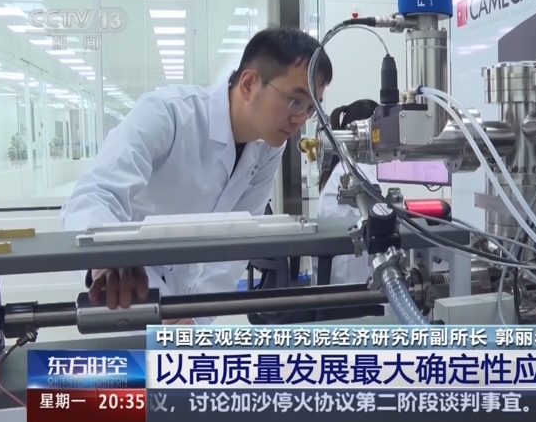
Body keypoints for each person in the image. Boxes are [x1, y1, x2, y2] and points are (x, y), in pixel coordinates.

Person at [60, 27, 333, 325]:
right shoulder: (168, 113)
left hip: (186, 294)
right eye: (295, 101)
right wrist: (104, 259)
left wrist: (197, 316)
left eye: (311, 109)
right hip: (126, 287)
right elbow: (94, 194)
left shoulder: (268, 147)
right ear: (249, 84)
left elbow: (241, 239)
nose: (300, 120)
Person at [316, 99, 381, 286]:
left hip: (335, 280)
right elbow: (381, 220)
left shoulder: (341, 169)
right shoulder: (358, 171)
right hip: (352, 284)